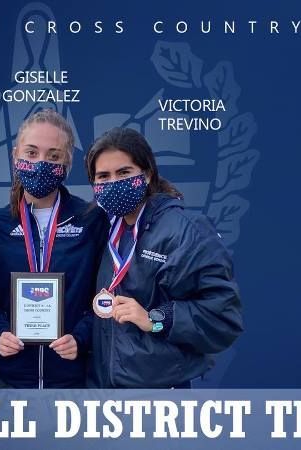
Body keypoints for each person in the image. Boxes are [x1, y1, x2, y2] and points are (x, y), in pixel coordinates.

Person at [85, 127, 243, 388]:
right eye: (103, 176)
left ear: (146, 174)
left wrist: (155, 320)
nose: (113, 182)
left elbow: (223, 317)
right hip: (104, 394)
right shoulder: (106, 229)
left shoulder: (186, 230)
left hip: (160, 399)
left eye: (124, 172)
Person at [0, 109, 109, 388]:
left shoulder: (90, 220)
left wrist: (81, 337)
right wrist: (0, 332)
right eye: (31, 153)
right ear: (15, 156)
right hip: (13, 380)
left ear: (68, 162)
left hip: (72, 379)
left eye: (53, 156)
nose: (41, 163)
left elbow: (104, 294)